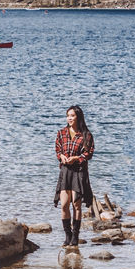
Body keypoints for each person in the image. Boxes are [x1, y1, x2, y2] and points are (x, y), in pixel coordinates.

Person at [54, 106, 94, 247]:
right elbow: (58, 149)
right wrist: (62, 157)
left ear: (78, 117)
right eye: (68, 115)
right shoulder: (61, 133)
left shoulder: (86, 135)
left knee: (76, 205)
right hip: (65, 171)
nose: (69, 118)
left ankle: (75, 236)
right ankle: (68, 235)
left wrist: (77, 158)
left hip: (78, 171)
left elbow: (89, 153)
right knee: (64, 204)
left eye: (72, 115)